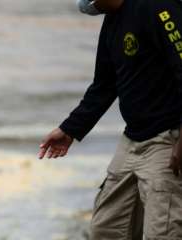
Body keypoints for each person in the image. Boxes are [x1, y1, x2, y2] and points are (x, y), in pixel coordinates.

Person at [38, 0, 182, 239]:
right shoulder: (113, 20)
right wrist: (70, 129)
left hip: (168, 139)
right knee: (106, 229)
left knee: (163, 232)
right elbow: (104, 84)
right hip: (133, 139)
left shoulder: (159, 7)